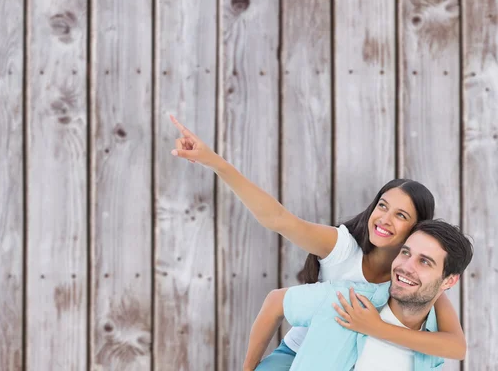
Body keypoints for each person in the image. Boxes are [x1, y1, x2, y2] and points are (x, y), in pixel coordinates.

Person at [168, 115, 466, 370]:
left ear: (418, 228)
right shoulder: (343, 248)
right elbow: (278, 219)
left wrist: (378, 329)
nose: (384, 219)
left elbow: (456, 346)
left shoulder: (411, 278)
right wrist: (217, 163)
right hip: (300, 354)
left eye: (400, 214)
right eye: (382, 206)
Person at [246, 219, 473, 370]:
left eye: (424, 261)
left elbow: (457, 347)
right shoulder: (348, 301)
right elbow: (276, 301)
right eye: (405, 253)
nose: (406, 266)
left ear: (449, 280)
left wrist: (378, 329)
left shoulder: (432, 348)